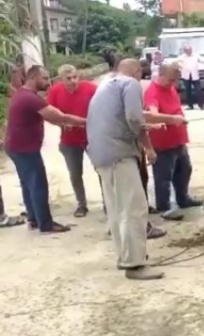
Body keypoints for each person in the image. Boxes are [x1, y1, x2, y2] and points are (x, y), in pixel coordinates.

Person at [86, 59, 168, 280]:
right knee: (134, 208)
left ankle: (126, 257)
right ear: (135, 71)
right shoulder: (129, 84)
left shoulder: (105, 84)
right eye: (141, 74)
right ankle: (135, 264)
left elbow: (120, 120)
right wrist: (148, 148)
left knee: (117, 210)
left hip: (102, 154)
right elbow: (134, 118)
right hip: (119, 154)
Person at [5, 65, 86, 233]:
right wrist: (86, 121)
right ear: (33, 78)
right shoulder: (30, 98)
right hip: (24, 148)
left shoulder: (22, 94)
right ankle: (46, 224)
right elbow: (59, 116)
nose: (47, 82)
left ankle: (34, 218)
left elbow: (49, 117)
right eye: (44, 78)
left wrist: (62, 122)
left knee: (28, 183)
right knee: (38, 184)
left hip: (16, 146)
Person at [143, 63, 202, 219]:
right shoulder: (152, 92)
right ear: (160, 75)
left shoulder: (170, 88)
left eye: (175, 80)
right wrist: (169, 120)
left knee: (185, 169)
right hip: (163, 142)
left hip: (178, 138)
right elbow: (152, 113)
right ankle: (164, 207)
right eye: (170, 80)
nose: (173, 84)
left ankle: (183, 198)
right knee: (163, 176)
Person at [47, 64, 97, 217]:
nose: (73, 81)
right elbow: (49, 114)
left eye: (75, 77)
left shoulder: (90, 88)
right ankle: (82, 204)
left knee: (102, 170)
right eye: (68, 79)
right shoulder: (55, 91)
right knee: (75, 174)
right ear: (61, 79)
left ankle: (109, 203)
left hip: (93, 137)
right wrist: (62, 124)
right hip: (69, 140)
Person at [176, 45, 204, 110]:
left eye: (190, 50)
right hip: (186, 76)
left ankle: (201, 105)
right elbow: (174, 62)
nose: (189, 51)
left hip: (195, 76)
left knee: (198, 90)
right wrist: (179, 67)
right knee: (188, 91)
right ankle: (190, 105)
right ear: (185, 51)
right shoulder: (181, 57)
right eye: (187, 50)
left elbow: (203, 60)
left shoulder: (195, 55)